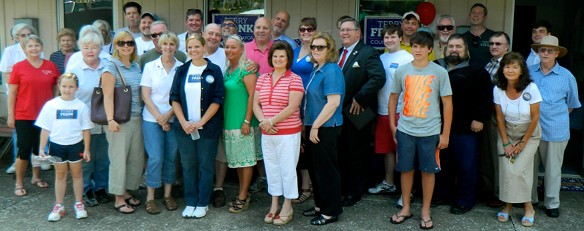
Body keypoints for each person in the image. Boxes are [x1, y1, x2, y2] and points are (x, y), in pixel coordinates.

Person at [388, 31, 452, 230]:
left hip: (430, 131)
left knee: (428, 171)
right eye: (415, 46)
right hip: (406, 129)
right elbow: (393, 97)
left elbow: (447, 104)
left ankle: (425, 210)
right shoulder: (402, 70)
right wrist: (392, 124)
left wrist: (445, 133)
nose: (418, 50)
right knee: (405, 169)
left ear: (430, 49)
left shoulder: (440, 72)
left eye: (422, 47)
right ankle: (406, 207)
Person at [433, 34, 493, 214]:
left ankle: (465, 200)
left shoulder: (476, 71)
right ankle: (442, 194)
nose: (454, 50)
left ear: (466, 50)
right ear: (445, 48)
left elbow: (486, 98)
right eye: (451, 46)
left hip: (466, 128)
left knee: (466, 166)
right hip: (439, 126)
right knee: (443, 165)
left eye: (459, 47)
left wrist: (480, 118)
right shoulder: (435, 67)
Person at [170, 34, 224, 219]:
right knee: (188, 165)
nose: (193, 50)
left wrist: (201, 122)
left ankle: (202, 203)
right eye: (190, 47)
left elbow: (218, 100)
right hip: (185, 129)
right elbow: (174, 98)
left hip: (207, 128)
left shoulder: (214, 70)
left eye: (197, 47)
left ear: (204, 47)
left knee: (205, 165)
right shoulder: (182, 70)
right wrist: (184, 122)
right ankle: (191, 201)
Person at [253, 41, 304, 226]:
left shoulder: (295, 79)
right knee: (272, 169)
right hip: (267, 132)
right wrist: (263, 122)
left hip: (287, 132)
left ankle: (288, 205)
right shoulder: (263, 78)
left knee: (288, 169)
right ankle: (274, 204)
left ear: (288, 58)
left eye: (282, 56)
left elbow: (293, 106)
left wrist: (271, 121)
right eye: (275, 56)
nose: (278, 59)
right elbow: (255, 104)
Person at [529, 35, 581, 218]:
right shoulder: (528, 72)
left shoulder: (567, 76)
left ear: (557, 53)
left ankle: (551, 203)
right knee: (530, 166)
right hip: (531, 128)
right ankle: (531, 199)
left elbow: (572, 104)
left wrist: (554, 115)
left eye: (550, 50)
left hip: (556, 129)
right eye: (542, 50)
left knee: (552, 168)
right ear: (538, 52)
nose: (545, 53)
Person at [337, 18, 385, 207]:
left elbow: (378, 78)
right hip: (337, 113)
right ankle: (342, 187)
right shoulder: (338, 53)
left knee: (356, 153)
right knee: (341, 152)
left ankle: (355, 192)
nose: (345, 33)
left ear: (359, 33)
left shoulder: (368, 52)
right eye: (342, 30)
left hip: (358, 111)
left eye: (349, 29)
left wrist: (359, 98)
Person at [36, 73, 93, 221]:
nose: (67, 89)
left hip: (76, 145)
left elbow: (86, 129)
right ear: (59, 86)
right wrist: (42, 148)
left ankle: (79, 204)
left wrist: (86, 149)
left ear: (76, 88)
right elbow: (45, 129)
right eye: (64, 86)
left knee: (77, 174)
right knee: (60, 175)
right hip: (57, 145)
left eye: (71, 86)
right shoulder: (51, 105)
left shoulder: (81, 106)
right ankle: (59, 205)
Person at [493, 52, 541, 227]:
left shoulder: (531, 88)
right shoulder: (498, 88)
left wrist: (522, 143)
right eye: (507, 66)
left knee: (518, 170)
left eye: (515, 66)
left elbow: (535, 118)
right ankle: (508, 206)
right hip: (506, 132)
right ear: (502, 69)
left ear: (522, 70)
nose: (510, 70)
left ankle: (528, 207)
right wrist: (506, 142)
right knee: (507, 170)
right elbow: (499, 118)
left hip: (529, 133)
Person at [301, 32, 344, 225]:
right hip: (313, 126)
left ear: (330, 50)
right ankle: (320, 206)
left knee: (326, 171)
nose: (316, 50)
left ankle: (330, 212)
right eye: (313, 47)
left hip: (325, 127)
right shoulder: (316, 69)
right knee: (314, 169)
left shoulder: (332, 70)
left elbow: (333, 103)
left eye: (321, 47)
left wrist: (315, 126)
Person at [65, 27, 111, 207]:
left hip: (104, 120)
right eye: (86, 47)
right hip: (83, 123)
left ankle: (101, 187)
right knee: (86, 158)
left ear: (100, 48)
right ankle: (85, 189)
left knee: (103, 157)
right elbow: (67, 94)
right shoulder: (75, 69)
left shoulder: (108, 66)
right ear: (81, 49)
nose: (90, 50)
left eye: (94, 47)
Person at [8, 35, 59, 197]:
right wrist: (11, 115)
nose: (34, 48)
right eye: (30, 46)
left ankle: (36, 178)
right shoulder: (18, 67)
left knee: (40, 149)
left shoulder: (50, 66)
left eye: (37, 45)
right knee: (24, 150)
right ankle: (19, 182)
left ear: (42, 47)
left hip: (45, 116)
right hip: (24, 115)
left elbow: (56, 89)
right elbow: (12, 93)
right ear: (24, 49)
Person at [101, 31, 144, 214]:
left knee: (135, 159)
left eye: (129, 42)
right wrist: (110, 119)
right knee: (118, 160)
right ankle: (118, 198)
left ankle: (125, 191)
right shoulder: (110, 67)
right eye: (121, 43)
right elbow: (107, 96)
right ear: (115, 46)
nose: (126, 46)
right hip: (119, 121)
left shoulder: (135, 66)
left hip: (136, 117)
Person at [368, 25, 413, 196]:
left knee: (403, 151)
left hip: (401, 112)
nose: (389, 40)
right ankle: (389, 182)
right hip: (382, 111)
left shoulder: (407, 58)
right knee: (387, 150)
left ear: (401, 38)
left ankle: (406, 191)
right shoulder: (381, 57)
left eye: (393, 37)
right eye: (386, 37)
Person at [141, 32, 182, 214]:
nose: (168, 47)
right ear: (160, 45)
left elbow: (181, 96)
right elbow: (145, 95)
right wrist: (160, 117)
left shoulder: (181, 67)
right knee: (155, 157)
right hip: (151, 119)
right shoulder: (150, 66)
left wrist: (168, 116)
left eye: (171, 44)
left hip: (173, 118)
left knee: (171, 158)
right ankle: (150, 198)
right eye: (165, 44)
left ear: (176, 46)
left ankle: (167, 194)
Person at [222, 34, 261, 213]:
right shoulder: (228, 69)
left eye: (233, 47)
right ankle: (242, 192)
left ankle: (243, 196)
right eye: (227, 47)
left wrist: (246, 120)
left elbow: (253, 96)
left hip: (243, 122)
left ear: (241, 49)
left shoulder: (246, 69)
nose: (229, 50)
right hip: (229, 122)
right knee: (238, 161)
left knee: (245, 162)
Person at [1, 23, 46, 174]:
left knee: (38, 137)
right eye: (22, 35)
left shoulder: (38, 51)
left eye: (28, 34)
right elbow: (6, 73)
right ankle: (18, 162)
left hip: (35, 97)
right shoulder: (10, 51)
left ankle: (38, 166)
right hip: (18, 96)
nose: (26, 38)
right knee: (21, 137)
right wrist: (17, 90)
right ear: (16, 37)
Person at [482, 31, 511, 208]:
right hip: (487, 114)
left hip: (499, 115)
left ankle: (500, 193)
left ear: (506, 47)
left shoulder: (508, 65)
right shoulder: (491, 63)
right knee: (487, 155)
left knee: (497, 155)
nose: (494, 46)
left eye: (498, 44)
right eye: (492, 43)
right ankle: (489, 190)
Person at [290, 17, 317, 204]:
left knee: (310, 147)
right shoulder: (294, 51)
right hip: (293, 104)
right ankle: (304, 186)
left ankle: (311, 187)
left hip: (311, 104)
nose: (305, 32)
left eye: (309, 29)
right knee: (298, 147)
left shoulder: (318, 51)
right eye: (302, 29)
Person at [245, 17, 274, 193]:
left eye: (265, 28)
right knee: (255, 143)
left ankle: (273, 180)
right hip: (250, 102)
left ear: (271, 30)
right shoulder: (245, 49)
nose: (261, 30)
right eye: (258, 27)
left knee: (271, 142)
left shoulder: (277, 48)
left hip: (272, 104)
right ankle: (262, 177)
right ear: (253, 29)